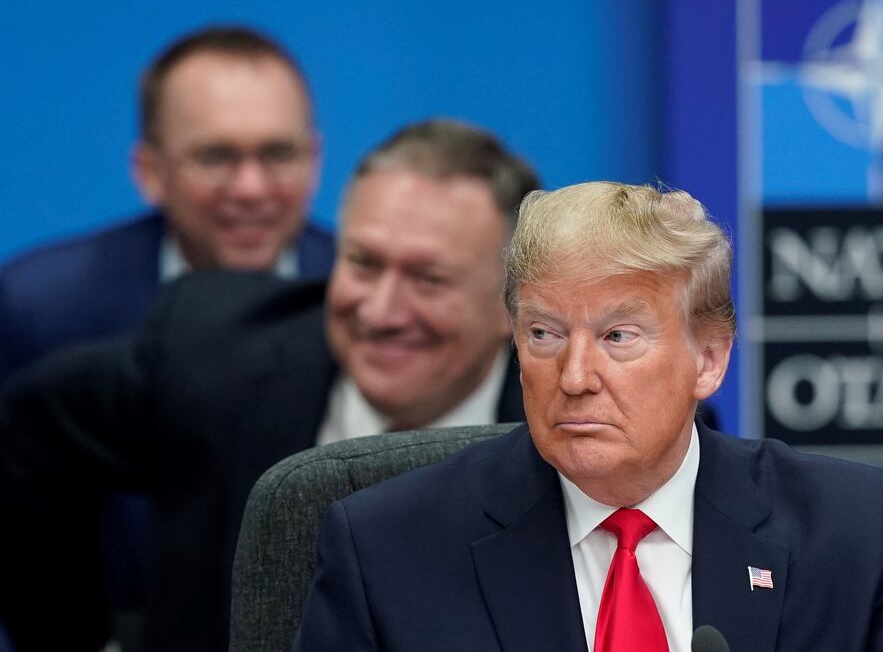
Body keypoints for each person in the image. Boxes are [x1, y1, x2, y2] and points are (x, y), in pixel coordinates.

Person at [295, 182, 883, 651]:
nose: (574, 378)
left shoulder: (851, 531)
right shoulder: (386, 548)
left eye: (617, 337)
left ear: (708, 360)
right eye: (544, 335)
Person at [0, 119, 539, 652]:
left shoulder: (568, 435)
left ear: (512, 305)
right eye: (363, 264)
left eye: (429, 279)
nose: (380, 311)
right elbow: (25, 432)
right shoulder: (215, 355)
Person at [0, 26, 333, 382]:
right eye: (215, 157)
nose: (251, 189)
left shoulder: (365, 305)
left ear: (314, 162)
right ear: (151, 172)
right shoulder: (42, 307)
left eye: (278, 154)